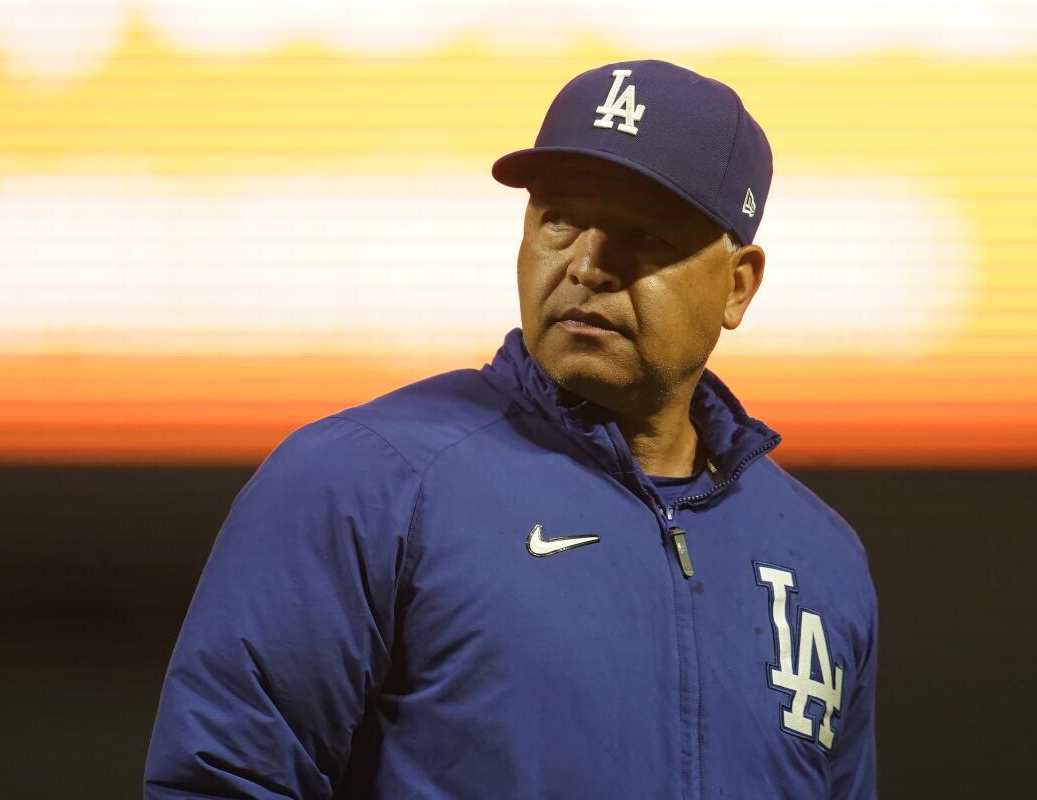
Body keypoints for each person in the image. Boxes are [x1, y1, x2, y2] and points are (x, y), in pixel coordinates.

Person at [144, 59, 877, 799]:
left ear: (739, 284)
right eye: (560, 218)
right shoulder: (365, 481)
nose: (587, 264)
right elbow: (222, 782)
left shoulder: (819, 557)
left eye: (645, 234)